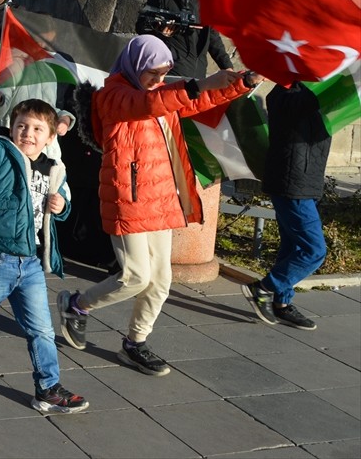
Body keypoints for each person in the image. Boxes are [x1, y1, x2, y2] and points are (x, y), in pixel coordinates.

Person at [57, 35, 260, 376]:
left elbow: (193, 101)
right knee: (136, 277)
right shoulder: (113, 95)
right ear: (136, 65)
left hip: (161, 196)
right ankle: (76, 305)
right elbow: (147, 105)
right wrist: (197, 84)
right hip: (128, 197)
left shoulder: (159, 92)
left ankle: (135, 342)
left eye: (164, 73)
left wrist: (241, 83)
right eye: (153, 73)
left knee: (162, 279)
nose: (159, 79)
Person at [0, 98, 89, 415]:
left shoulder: (54, 169)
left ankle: (48, 388)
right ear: (12, 128)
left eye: (38, 129)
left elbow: (63, 197)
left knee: (41, 330)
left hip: (32, 263)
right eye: (22, 126)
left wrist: (62, 206)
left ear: (50, 138)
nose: (28, 133)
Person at [241, 82, 330, 331]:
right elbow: (313, 102)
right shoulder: (286, 93)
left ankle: (282, 303)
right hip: (292, 184)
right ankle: (264, 288)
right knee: (314, 250)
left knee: (293, 246)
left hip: (306, 181)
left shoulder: (306, 91)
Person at [144, 0, 234, 78]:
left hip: (198, 75)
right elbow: (143, 29)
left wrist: (227, 67)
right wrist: (160, 32)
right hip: (170, 73)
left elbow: (213, 37)